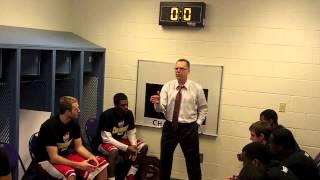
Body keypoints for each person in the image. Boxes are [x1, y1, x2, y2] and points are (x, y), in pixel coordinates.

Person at [150, 58, 208, 180]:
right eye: (176, 68)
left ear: (188, 71)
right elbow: (161, 109)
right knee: (165, 159)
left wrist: (197, 124)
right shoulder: (168, 86)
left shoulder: (197, 88)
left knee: (193, 161)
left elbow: (203, 108)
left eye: (182, 68)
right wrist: (156, 103)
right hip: (170, 127)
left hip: (189, 128)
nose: (178, 71)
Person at [36, 96, 108, 180]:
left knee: (100, 162)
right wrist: (79, 165)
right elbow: (53, 158)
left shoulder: (74, 124)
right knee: (70, 173)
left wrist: (92, 156)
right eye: (76, 109)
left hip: (65, 156)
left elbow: (79, 147)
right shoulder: (50, 126)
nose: (79, 111)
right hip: (47, 161)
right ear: (67, 112)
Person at [96, 93, 148, 180]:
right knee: (114, 151)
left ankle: (130, 174)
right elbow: (107, 139)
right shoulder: (107, 115)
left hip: (119, 140)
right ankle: (111, 178)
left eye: (127, 104)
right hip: (103, 142)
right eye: (123, 105)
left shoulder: (129, 113)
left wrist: (134, 145)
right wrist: (127, 148)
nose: (126, 107)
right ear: (116, 105)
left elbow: (131, 131)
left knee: (143, 147)